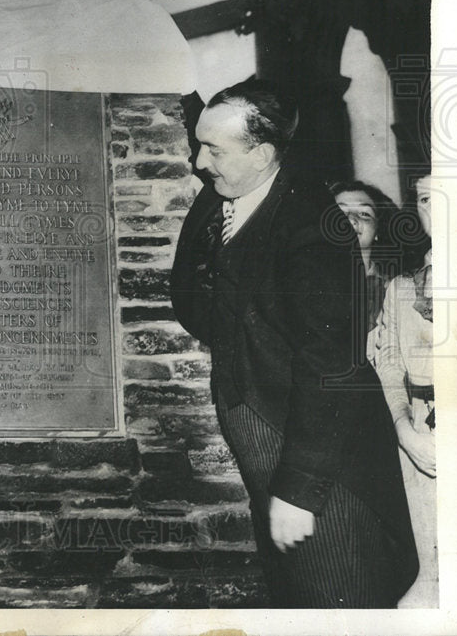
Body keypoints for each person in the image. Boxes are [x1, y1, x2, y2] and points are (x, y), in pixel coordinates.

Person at [170, 78, 417, 607]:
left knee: (337, 604)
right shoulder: (220, 200)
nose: (199, 162)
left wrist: (299, 492)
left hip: (323, 472)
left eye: (214, 149)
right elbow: (194, 297)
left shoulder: (315, 224)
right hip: (266, 444)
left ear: (261, 153)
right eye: (198, 144)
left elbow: (334, 367)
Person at [370, 173, 437, 607]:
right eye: (427, 199)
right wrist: (402, 427)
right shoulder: (402, 287)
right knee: (428, 582)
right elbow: (390, 362)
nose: (438, 210)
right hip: (419, 436)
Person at [330, 179, 401, 329]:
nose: (351, 219)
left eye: (364, 213)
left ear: (378, 230)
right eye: (339, 212)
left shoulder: (395, 291)